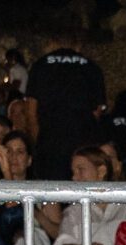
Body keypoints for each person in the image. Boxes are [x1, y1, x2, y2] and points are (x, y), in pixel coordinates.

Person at [26, 34, 105, 180]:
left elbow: (31, 112)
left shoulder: (40, 65)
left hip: (50, 144)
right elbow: (97, 112)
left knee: (51, 194)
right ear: (78, 44)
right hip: (82, 144)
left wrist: (40, 141)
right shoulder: (92, 67)